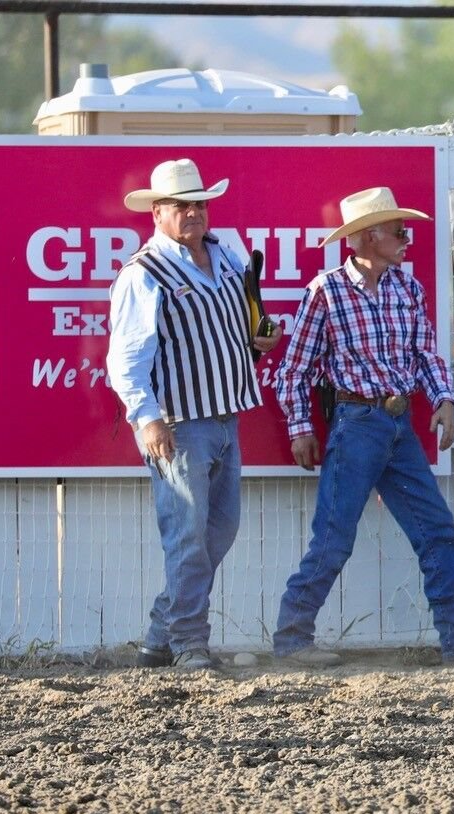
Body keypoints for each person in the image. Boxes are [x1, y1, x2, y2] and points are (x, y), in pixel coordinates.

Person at [272, 186, 454, 668]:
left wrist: (443, 400)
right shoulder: (326, 292)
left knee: (436, 529)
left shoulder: (407, 288)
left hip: (394, 421)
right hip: (357, 421)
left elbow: (425, 354)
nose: (407, 239)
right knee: (335, 535)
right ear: (367, 238)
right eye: (398, 231)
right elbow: (295, 370)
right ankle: (292, 637)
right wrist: (300, 426)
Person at [107, 158, 282, 671]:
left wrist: (257, 344)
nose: (193, 213)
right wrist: (147, 418)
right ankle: (188, 643)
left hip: (226, 414)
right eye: (182, 206)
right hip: (180, 423)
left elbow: (225, 332)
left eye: (199, 204)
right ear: (157, 213)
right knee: (189, 534)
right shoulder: (144, 273)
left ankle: (161, 634)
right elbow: (125, 359)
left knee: (218, 530)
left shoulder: (225, 257)